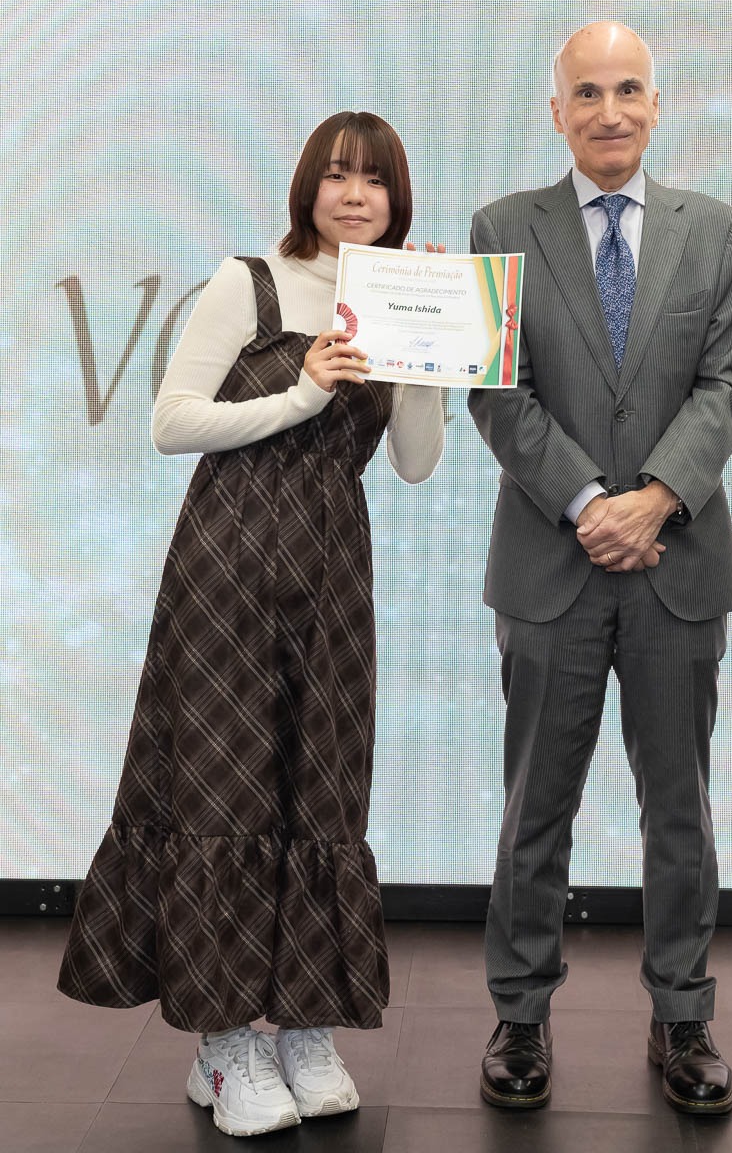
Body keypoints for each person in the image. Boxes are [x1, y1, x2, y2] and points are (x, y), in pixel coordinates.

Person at [58, 111, 444, 1138]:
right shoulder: (252, 283)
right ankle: (223, 1041)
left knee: (324, 784)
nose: (356, 195)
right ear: (308, 186)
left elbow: (416, 462)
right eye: (338, 175)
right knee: (221, 785)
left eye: (376, 180)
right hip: (228, 557)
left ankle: (304, 1026)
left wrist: (430, 344)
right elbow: (171, 420)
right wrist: (302, 394)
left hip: (333, 567)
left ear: (398, 199)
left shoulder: (397, 295)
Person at [468, 23, 732, 1115]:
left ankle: (683, 1015)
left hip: (679, 562)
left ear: (656, 102)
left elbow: (725, 389)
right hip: (553, 563)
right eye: (586, 92)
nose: (610, 110)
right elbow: (497, 392)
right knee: (534, 806)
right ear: (557, 111)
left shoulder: (716, 231)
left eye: (628, 88)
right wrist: (592, 502)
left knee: (679, 809)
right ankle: (520, 1015)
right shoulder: (502, 228)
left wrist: (656, 497)